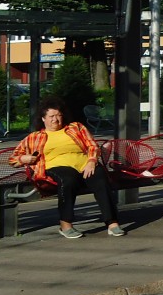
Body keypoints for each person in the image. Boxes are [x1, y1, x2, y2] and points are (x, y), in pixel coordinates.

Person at [8, 97, 125, 239]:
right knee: (68, 180)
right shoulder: (35, 137)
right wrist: (23, 158)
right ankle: (65, 224)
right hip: (56, 166)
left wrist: (92, 161)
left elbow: (92, 145)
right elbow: (12, 159)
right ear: (43, 119)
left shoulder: (75, 128)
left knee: (100, 179)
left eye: (59, 116)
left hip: (84, 164)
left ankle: (112, 223)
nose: (55, 120)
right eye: (51, 116)